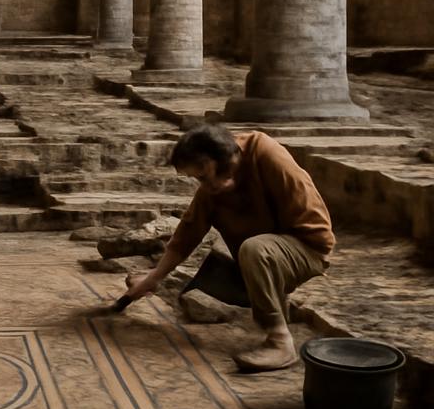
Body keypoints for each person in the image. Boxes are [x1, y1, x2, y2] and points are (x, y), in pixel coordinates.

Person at [124, 124, 335, 373]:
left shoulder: (266, 154)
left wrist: (274, 260)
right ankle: (272, 295)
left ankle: (280, 342)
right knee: (217, 272)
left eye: (201, 176)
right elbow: (187, 235)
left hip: (308, 248)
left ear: (220, 160)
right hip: (267, 250)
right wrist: (153, 278)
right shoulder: (213, 185)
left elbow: (320, 236)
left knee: (254, 250)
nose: (201, 184)